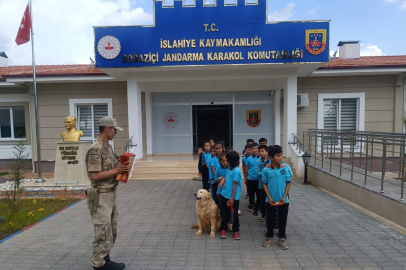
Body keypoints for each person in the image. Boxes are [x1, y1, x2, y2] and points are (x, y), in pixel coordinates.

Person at [85, 117, 132, 270]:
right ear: (107, 129)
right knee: (102, 231)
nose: (116, 133)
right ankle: (98, 265)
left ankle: (105, 259)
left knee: (111, 230)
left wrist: (122, 167)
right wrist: (116, 170)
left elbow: (111, 169)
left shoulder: (108, 148)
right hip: (100, 195)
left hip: (111, 193)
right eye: (115, 130)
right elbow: (95, 175)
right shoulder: (95, 149)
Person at [262, 146, 291, 250]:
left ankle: (282, 238)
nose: (280, 157)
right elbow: (264, 184)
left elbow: (288, 183)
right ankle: (269, 237)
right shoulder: (266, 170)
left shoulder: (284, 168)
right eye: (278, 156)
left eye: (281, 155)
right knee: (270, 219)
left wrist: (284, 196)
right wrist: (269, 197)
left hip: (284, 200)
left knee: (283, 219)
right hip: (270, 200)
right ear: (271, 157)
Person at [218, 151, 242, 240]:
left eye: (227, 159)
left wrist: (232, 199)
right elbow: (229, 179)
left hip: (233, 197)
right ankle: (224, 229)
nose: (226, 161)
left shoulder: (236, 171)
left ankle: (236, 230)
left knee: (234, 214)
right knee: (224, 213)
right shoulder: (230, 168)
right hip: (224, 194)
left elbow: (235, 186)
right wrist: (224, 179)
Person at [244, 143, 260, 213]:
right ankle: (251, 204)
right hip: (250, 178)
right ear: (250, 150)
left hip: (259, 179)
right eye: (253, 149)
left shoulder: (261, 158)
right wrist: (246, 178)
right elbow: (246, 169)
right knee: (251, 193)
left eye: (256, 148)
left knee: (259, 193)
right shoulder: (248, 159)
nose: (254, 150)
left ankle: (258, 206)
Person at [255, 144, 269, 221]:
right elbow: (258, 173)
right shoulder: (258, 162)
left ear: (267, 152)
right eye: (259, 151)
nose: (261, 153)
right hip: (262, 184)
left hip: (270, 184)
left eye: (262, 151)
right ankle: (263, 214)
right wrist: (265, 169)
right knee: (262, 200)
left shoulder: (271, 160)